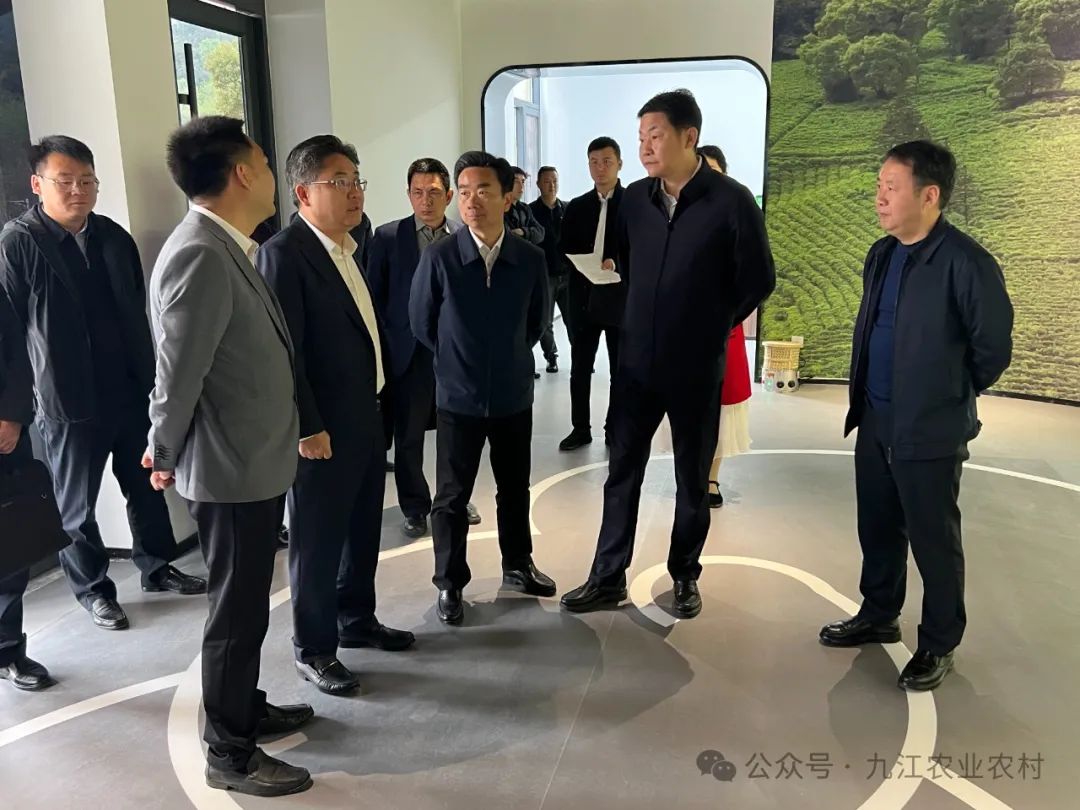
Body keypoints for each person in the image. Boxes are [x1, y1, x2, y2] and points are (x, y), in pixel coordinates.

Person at [561, 90, 775, 619]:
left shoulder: (731, 201)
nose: (645, 148)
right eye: (640, 138)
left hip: (696, 366)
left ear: (689, 136)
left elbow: (758, 279)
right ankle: (606, 577)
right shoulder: (635, 199)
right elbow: (626, 262)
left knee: (691, 478)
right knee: (621, 471)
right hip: (636, 363)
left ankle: (684, 575)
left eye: (654, 136)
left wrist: (713, 323)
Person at [148, 116, 313, 797]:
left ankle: (244, 709)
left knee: (247, 609)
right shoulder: (200, 254)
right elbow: (178, 373)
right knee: (235, 617)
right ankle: (230, 753)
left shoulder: (226, 246)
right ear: (242, 173)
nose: (272, 175)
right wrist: (161, 449)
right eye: (266, 163)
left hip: (251, 462)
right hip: (229, 471)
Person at [819, 140, 1013, 692]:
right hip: (877, 416)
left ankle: (939, 641)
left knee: (933, 539)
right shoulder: (882, 254)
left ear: (930, 196)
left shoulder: (967, 263)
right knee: (878, 525)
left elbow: (992, 350)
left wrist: (947, 394)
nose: (879, 197)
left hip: (930, 427)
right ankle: (879, 613)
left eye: (892, 187)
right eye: (878, 186)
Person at [0, 136, 205, 632]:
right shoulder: (19, 243)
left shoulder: (113, 237)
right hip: (65, 401)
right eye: (65, 181)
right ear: (37, 185)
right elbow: (8, 332)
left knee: (145, 486)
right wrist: (13, 410)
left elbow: (139, 315)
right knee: (75, 507)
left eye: (87, 180)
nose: (78, 190)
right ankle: (93, 590)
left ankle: (156, 566)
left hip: (129, 390)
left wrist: (156, 384)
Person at [258, 136, 415, 697]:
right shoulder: (284, 254)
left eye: (356, 180)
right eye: (339, 182)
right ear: (303, 193)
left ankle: (356, 619)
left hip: (365, 416)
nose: (354, 192)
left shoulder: (349, 246)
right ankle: (314, 648)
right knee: (318, 542)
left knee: (361, 531)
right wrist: (307, 426)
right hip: (321, 429)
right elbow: (286, 353)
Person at [409, 151, 554, 626]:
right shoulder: (440, 258)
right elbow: (422, 323)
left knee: (514, 488)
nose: (472, 201)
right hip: (458, 398)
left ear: (507, 196)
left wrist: (505, 358)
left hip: (512, 395)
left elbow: (537, 322)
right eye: (466, 192)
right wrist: (459, 361)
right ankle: (449, 582)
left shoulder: (529, 259)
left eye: (484, 190)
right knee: (451, 497)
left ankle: (518, 564)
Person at [367, 158, 481, 540]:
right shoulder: (387, 238)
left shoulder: (465, 235)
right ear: (409, 194)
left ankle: (455, 500)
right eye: (417, 192)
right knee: (409, 436)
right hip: (408, 354)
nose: (425, 201)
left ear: (448, 195)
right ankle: (414, 507)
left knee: (457, 434)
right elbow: (374, 298)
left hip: (454, 354)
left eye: (433, 193)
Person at [557, 137, 626, 452]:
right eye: (594, 162)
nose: (600, 168)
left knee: (619, 369)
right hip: (583, 297)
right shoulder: (577, 206)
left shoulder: (633, 203)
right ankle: (580, 428)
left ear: (619, 164)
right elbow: (563, 247)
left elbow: (642, 246)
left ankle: (614, 427)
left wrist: (618, 262)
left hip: (619, 297)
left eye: (607, 161)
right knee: (580, 367)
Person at [0, 290, 53, 691]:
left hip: (3, 439)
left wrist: (13, 418)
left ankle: (7, 652)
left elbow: (17, 351)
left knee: (10, 549)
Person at [699, 144, 752, 508]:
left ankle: (711, 477)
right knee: (688, 405)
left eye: (715, 171)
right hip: (684, 330)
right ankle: (691, 473)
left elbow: (755, 275)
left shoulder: (739, 215)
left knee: (722, 405)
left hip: (724, 325)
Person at [529, 165, 571, 374]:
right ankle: (551, 356)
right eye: (547, 181)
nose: (551, 185)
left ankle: (582, 357)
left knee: (573, 319)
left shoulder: (568, 209)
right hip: (545, 276)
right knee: (545, 321)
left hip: (568, 274)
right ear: (538, 184)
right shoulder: (531, 211)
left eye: (554, 181)